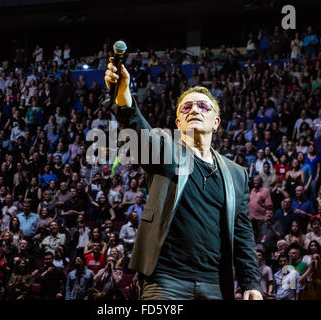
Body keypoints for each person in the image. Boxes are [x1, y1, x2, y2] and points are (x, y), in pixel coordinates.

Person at [105, 57, 261, 300]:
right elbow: (139, 132)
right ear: (178, 122)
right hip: (166, 281)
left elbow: (242, 233)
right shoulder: (166, 149)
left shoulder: (236, 173)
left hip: (215, 285)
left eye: (203, 106)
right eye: (186, 108)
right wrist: (124, 95)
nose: (195, 110)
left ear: (216, 122)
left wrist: (251, 282)